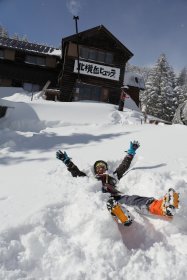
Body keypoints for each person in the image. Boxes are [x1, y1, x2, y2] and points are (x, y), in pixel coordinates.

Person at [56, 141, 179, 226]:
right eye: (98, 167)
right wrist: (67, 161)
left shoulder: (113, 176)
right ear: (95, 170)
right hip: (98, 199)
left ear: (106, 168)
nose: (100, 168)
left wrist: (131, 152)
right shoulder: (91, 180)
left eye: (102, 166)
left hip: (117, 197)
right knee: (110, 204)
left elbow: (123, 166)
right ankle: (120, 214)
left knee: (133, 199)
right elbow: (76, 173)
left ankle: (161, 207)